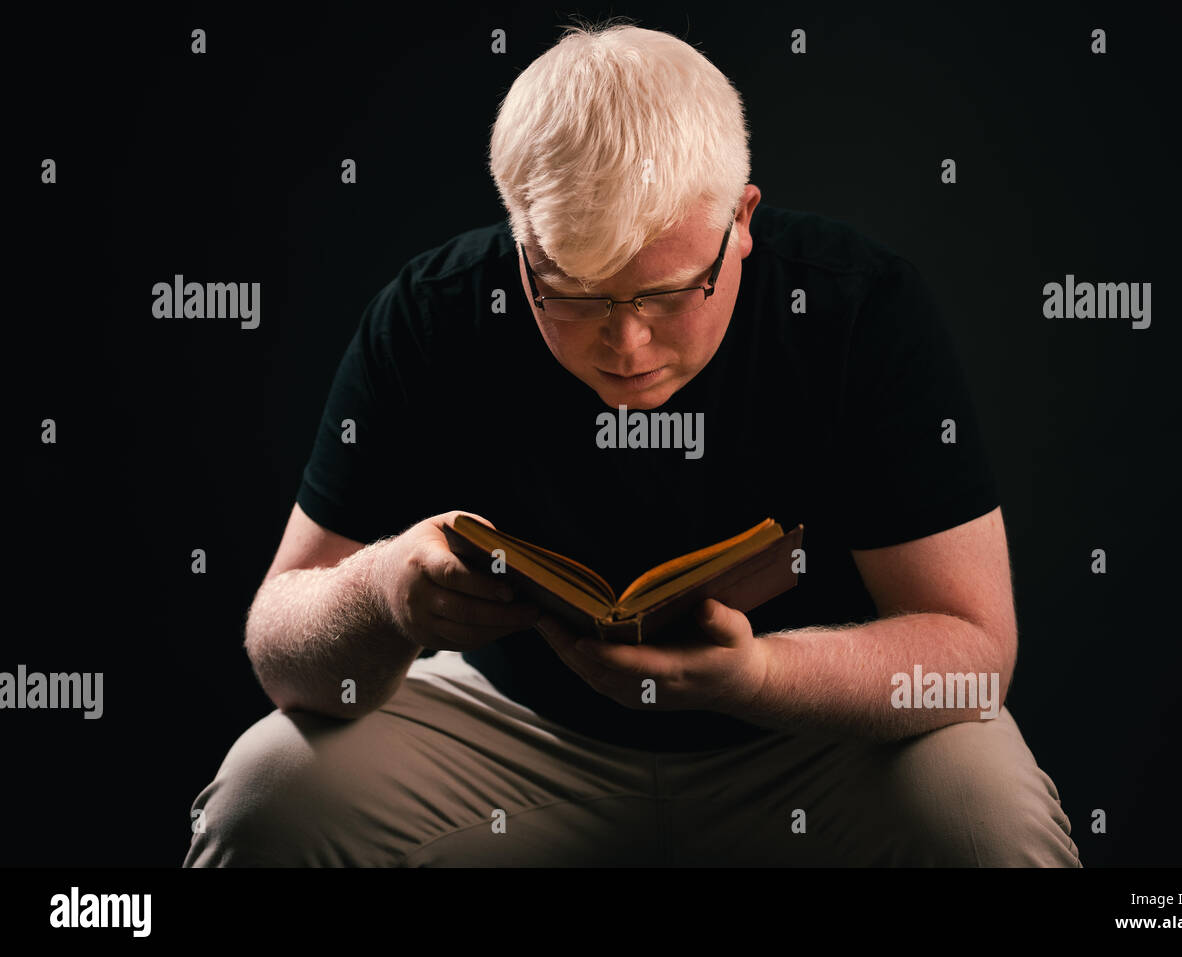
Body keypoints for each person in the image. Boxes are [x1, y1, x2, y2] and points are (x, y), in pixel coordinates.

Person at [183, 22, 1080, 867]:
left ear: (744, 220)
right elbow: (278, 643)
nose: (627, 345)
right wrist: (382, 592)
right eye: (569, 294)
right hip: (514, 729)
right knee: (266, 794)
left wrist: (759, 675)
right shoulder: (432, 312)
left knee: (987, 817)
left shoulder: (859, 308)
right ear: (518, 239)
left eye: (666, 293)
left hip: (815, 739)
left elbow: (973, 657)